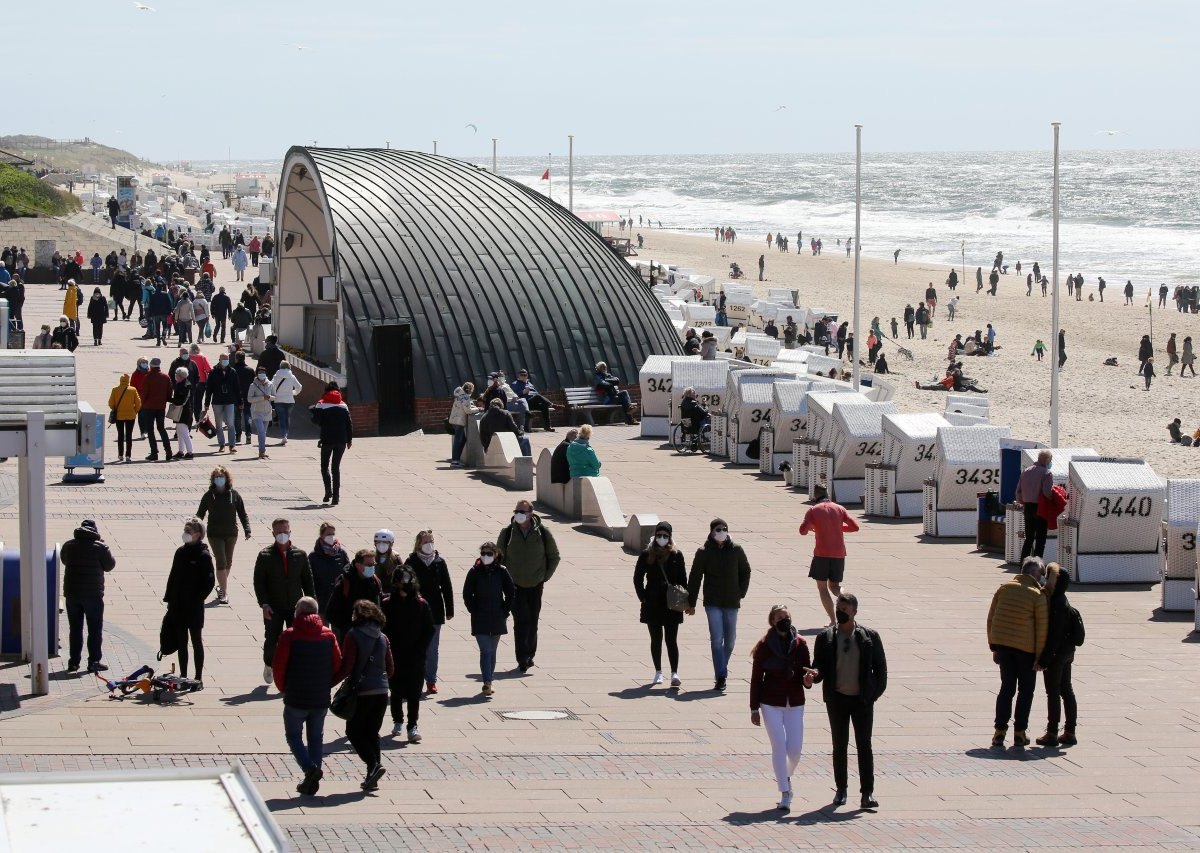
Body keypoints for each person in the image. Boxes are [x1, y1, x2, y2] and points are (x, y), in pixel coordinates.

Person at [811, 592, 887, 808]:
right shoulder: (825, 637)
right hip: (837, 700)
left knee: (864, 745)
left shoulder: (869, 637)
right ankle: (841, 790)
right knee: (839, 745)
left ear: (854, 612)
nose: (840, 612)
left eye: (844, 610)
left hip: (862, 700)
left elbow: (881, 669)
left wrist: (872, 695)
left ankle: (867, 793)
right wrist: (813, 675)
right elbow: (819, 668)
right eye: (838, 608)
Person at [273, 596, 342, 796]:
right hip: (320, 698)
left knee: (293, 736)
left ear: (300, 611)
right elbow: (337, 664)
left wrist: (283, 688)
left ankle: (309, 769)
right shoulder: (328, 635)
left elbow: (279, 667)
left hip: (296, 697)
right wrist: (327, 684)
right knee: (316, 738)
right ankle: (312, 780)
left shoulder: (289, 635)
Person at [750, 604, 813, 812]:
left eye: (786, 617)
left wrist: (808, 680)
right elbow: (756, 678)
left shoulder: (801, 644)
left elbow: (809, 672)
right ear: (772, 621)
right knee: (778, 745)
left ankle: (785, 775)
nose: (783, 620)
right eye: (779, 617)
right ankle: (785, 792)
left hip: (795, 701)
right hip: (771, 702)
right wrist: (754, 708)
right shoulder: (764, 645)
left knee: (794, 750)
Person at [986, 557, 1048, 748]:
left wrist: (994, 647)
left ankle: (999, 731)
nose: (1043, 579)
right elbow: (1041, 629)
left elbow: (991, 619)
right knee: (1026, 691)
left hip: (1004, 648)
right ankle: (1020, 732)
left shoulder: (1004, 588)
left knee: (1006, 689)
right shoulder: (1037, 595)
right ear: (1035, 574)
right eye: (1042, 575)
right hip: (1026, 651)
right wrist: (1040, 658)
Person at [685, 518, 752, 692]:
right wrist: (691, 603)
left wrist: (741, 592)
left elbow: (746, 571)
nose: (721, 532)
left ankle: (721, 667)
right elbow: (695, 578)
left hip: (732, 601)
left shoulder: (736, 550)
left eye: (724, 529)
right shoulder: (704, 552)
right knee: (717, 639)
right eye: (718, 529)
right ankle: (721, 675)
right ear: (711, 532)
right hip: (712, 602)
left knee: (730, 641)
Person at [334, 600, 394, 791]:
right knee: (372, 733)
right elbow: (391, 669)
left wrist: (329, 682)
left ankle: (373, 765)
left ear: (358, 616)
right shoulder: (383, 637)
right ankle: (372, 774)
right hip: (382, 692)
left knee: (353, 731)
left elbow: (348, 666)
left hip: (363, 692)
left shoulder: (353, 635)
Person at [497, 499, 560, 673]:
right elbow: (498, 558)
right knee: (520, 621)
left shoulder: (543, 533)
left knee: (532, 621)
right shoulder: (508, 533)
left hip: (536, 584)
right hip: (515, 585)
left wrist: (544, 577)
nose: (519, 514)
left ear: (531, 514)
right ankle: (522, 657)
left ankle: (530, 654)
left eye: (523, 512)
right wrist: (503, 581)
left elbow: (554, 556)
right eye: (517, 511)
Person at [255, 519, 316, 684]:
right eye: (279, 532)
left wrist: (312, 606)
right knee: (271, 639)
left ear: (290, 532)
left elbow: (308, 582)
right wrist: (264, 604)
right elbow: (259, 582)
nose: (282, 534)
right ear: (273, 533)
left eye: (285, 531)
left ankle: (292, 672)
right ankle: (269, 664)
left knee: (296, 640)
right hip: (274, 607)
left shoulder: (300, 555)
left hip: (295, 608)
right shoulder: (265, 555)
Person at [382, 567, 434, 742]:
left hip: (415, 656)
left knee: (414, 693)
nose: (404, 587)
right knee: (395, 690)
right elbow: (382, 629)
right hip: (394, 654)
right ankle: (398, 720)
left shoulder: (421, 604)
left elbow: (429, 630)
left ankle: (412, 725)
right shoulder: (387, 604)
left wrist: (420, 649)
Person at [633, 521, 687, 687]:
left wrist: (685, 601)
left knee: (672, 640)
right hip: (653, 603)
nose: (662, 538)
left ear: (670, 537)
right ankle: (658, 672)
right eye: (659, 535)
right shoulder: (646, 554)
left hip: (672, 604)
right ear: (655, 536)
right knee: (656, 639)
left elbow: (683, 580)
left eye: (665, 535)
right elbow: (637, 578)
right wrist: (643, 597)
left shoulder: (677, 555)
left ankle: (674, 673)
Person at [163, 518, 216, 684]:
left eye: (189, 532)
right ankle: (184, 675)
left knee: (196, 640)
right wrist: (169, 599)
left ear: (198, 535)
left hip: (193, 607)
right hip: (178, 605)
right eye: (185, 531)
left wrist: (197, 599)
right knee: (181, 641)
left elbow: (209, 582)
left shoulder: (203, 555)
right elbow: (173, 577)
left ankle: (198, 677)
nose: (185, 534)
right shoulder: (180, 552)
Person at [799, 486, 861, 627]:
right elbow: (855, 527)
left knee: (822, 587)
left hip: (821, 554)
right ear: (828, 494)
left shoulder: (813, 511)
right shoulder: (839, 508)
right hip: (839, 554)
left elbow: (802, 531)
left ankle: (833, 620)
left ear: (815, 496)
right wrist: (839, 528)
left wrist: (814, 527)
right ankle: (846, 598)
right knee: (835, 586)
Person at [60, 519, 116, 673]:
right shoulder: (100, 547)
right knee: (95, 629)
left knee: (75, 629)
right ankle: (94, 662)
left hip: (72, 593)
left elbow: (64, 560)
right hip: (93, 595)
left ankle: (73, 662)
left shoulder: (68, 545)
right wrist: (103, 546)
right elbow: (110, 565)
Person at [404, 530, 455, 694]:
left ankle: (431, 680)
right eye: (426, 542)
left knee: (432, 648)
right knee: (417, 648)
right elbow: (404, 586)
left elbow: (446, 586)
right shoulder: (411, 562)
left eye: (431, 541)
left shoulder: (440, 562)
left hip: (435, 610)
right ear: (419, 544)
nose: (429, 544)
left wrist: (450, 609)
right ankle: (416, 679)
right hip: (415, 611)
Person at [462, 541, 515, 696]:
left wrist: (505, 610)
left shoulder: (502, 571)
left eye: (489, 554)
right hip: (480, 617)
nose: (486, 556)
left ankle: (489, 679)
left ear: (496, 554)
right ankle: (487, 681)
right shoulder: (474, 572)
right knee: (485, 650)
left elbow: (511, 592)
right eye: (483, 553)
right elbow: (467, 593)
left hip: (497, 616)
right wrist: (473, 610)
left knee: (492, 651)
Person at [1036, 564, 1080, 747]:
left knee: (1053, 692)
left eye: (1048, 577)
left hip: (1056, 655)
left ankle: (1052, 732)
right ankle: (1070, 731)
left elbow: (1053, 636)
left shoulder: (1055, 604)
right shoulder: (1063, 599)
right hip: (1067, 653)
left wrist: (1044, 660)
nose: (1045, 580)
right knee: (1066, 690)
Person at [196, 466, 251, 605]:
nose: (219, 479)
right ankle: (224, 593)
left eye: (221, 477)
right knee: (221, 561)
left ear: (227, 479)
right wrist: (195, 530)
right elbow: (200, 514)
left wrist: (247, 529)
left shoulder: (234, 495)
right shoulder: (209, 496)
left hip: (231, 533)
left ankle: (221, 585)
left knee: (228, 561)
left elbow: (242, 513)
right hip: (215, 534)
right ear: (213, 479)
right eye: (216, 477)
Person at [325, 548, 384, 640]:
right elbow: (331, 613)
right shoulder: (344, 583)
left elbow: (379, 607)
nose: (372, 567)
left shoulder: (375, 582)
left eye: (373, 564)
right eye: (369, 565)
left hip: (371, 635)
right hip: (349, 637)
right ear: (358, 565)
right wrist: (348, 628)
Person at [312, 387, 353, 504]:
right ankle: (336, 497)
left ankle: (327, 491)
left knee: (324, 466)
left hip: (327, 440)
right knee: (336, 468)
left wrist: (313, 412)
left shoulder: (322, 406)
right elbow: (349, 424)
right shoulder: (344, 407)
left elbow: (317, 421)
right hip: (341, 440)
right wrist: (349, 440)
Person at [1014, 451, 1054, 560]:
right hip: (1040, 508)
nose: (1050, 462)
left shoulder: (1026, 471)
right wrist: (1053, 498)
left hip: (1028, 508)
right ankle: (1037, 565)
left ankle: (1023, 564)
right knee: (1040, 540)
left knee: (1029, 538)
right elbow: (1047, 492)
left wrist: (1021, 502)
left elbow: (1018, 491)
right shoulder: (1046, 473)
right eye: (1050, 460)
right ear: (1047, 460)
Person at [202, 351, 241, 453]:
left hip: (229, 401)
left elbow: (237, 388)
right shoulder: (213, 372)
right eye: (223, 359)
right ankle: (222, 444)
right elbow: (209, 389)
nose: (225, 361)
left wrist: (240, 402)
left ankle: (232, 445)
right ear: (219, 360)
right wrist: (206, 404)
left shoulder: (232, 371)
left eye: (226, 359)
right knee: (218, 424)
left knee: (230, 423)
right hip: (217, 401)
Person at [310, 523, 351, 613]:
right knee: (322, 626)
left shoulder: (341, 553)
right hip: (321, 599)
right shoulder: (314, 556)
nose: (332, 537)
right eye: (329, 534)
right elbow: (310, 578)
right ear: (321, 535)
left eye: (333, 534)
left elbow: (349, 573)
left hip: (338, 598)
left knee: (338, 626)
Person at [107, 373, 142, 464]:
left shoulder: (115, 390)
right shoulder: (133, 390)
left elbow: (111, 403)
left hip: (119, 416)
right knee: (129, 435)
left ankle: (120, 455)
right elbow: (138, 403)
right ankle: (128, 456)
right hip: (131, 416)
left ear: (120, 380)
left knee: (120, 435)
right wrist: (134, 411)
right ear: (128, 380)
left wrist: (115, 409)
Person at [448, 383, 479, 466]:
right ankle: (455, 461)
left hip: (455, 419)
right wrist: (478, 409)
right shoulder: (465, 397)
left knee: (462, 439)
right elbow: (468, 410)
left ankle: (456, 460)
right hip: (460, 421)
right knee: (458, 441)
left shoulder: (459, 394)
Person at [246, 367, 275, 459]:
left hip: (267, 412)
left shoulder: (270, 384)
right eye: (260, 373)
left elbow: (274, 396)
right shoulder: (253, 385)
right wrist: (262, 397)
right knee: (261, 431)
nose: (262, 374)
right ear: (257, 374)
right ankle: (262, 450)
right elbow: (249, 399)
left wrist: (269, 397)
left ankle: (261, 452)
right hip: (256, 412)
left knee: (263, 432)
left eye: (263, 372)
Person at [170, 366, 196, 460]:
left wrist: (169, 399)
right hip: (182, 411)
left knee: (184, 433)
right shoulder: (183, 384)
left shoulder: (184, 386)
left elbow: (180, 400)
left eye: (176, 374)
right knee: (179, 432)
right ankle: (181, 451)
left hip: (183, 411)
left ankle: (190, 452)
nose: (175, 376)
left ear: (181, 376)